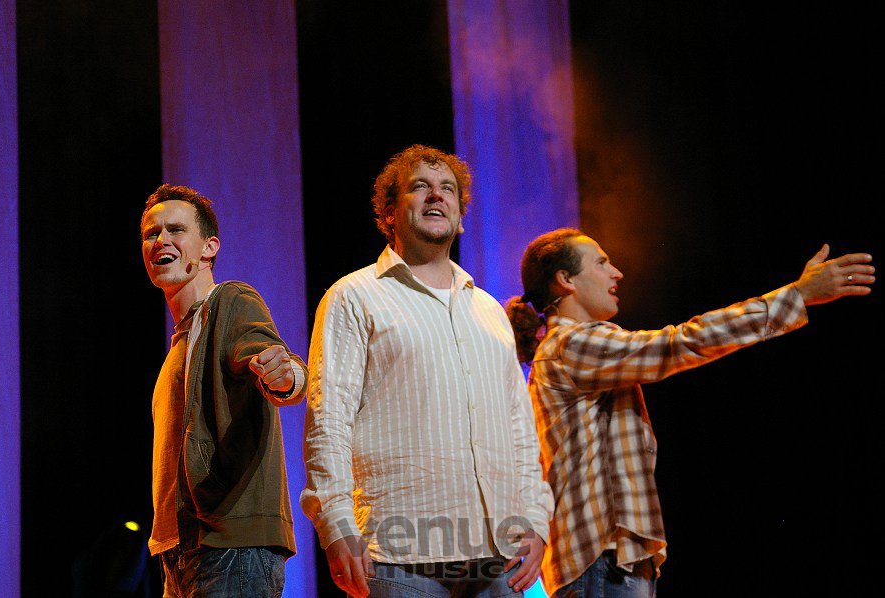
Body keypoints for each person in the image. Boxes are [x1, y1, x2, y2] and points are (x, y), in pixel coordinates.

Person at [504, 228, 874, 597]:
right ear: (565, 279)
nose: (616, 272)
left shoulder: (570, 346)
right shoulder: (572, 344)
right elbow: (682, 341)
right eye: (601, 263)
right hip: (602, 562)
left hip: (611, 561)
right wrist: (796, 296)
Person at [301, 145, 553, 597]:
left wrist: (536, 518)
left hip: (499, 554)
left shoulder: (489, 310)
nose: (437, 195)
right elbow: (328, 417)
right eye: (420, 187)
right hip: (399, 554)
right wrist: (336, 523)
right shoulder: (354, 296)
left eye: (448, 189)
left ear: (460, 216)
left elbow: (520, 428)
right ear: (389, 213)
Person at [140, 184, 307, 597]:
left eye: (176, 230)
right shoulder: (180, 345)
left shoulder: (230, 301)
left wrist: (285, 376)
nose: (161, 240)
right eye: (151, 233)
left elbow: (279, 363)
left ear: (209, 248)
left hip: (230, 546)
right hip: (181, 549)